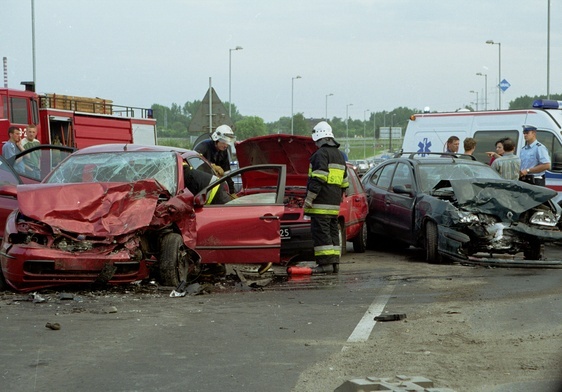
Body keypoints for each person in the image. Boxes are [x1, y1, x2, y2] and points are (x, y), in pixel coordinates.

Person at [304, 121, 349, 274]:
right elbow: (345, 181)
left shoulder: (320, 154)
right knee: (332, 232)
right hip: (334, 203)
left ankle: (324, 264)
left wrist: (309, 198)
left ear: (319, 138)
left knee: (321, 233)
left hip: (321, 202)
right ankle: (335, 263)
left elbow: (319, 178)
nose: (316, 144)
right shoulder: (339, 155)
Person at [194, 125, 236, 194]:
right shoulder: (203, 147)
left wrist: (232, 192)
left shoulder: (224, 151)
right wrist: (211, 166)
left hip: (214, 185)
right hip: (200, 186)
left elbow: (227, 175)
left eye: (227, 143)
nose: (225, 146)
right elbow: (194, 165)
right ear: (216, 139)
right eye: (223, 142)